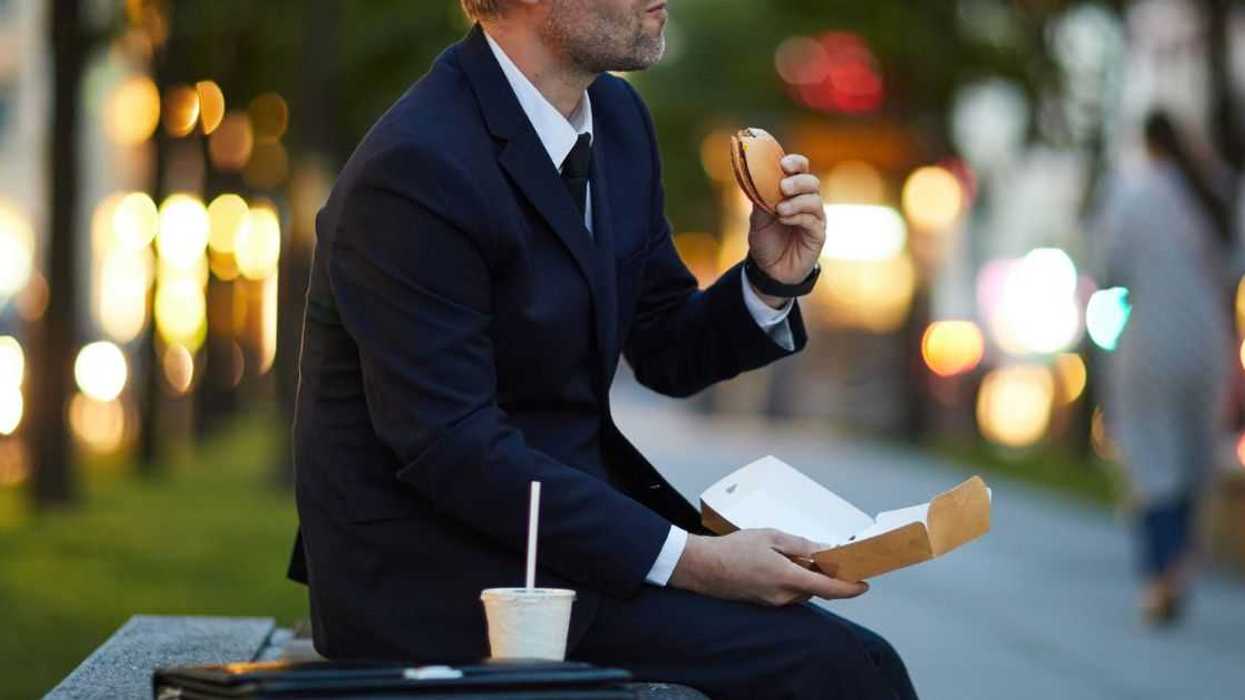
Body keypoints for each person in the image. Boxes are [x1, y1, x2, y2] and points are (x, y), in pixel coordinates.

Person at [287, 1, 917, 697]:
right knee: (844, 672)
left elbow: (663, 347)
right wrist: (696, 561)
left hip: (560, 552)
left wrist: (770, 280)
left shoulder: (616, 120)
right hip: (445, 582)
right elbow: (452, 446)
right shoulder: (416, 165)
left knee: (851, 663)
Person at [1098, 111, 1236, 625]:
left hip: (1151, 344)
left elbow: (1112, 265)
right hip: (1208, 346)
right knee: (1194, 460)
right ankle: (1181, 564)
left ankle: (1160, 574)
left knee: (1153, 459)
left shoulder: (1134, 193)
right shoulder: (1217, 194)